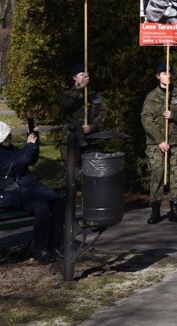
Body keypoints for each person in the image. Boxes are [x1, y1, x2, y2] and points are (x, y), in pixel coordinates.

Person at [0, 121, 65, 263]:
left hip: (25, 189)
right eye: (7, 137)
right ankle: (40, 249)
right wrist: (29, 145)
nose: (9, 139)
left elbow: (30, 160)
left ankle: (52, 244)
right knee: (43, 208)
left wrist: (34, 140)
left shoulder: (10, 149)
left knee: (56, 203)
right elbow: (21, 159)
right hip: (10, 193)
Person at [141, 63, 177, 224]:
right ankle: (155, 210)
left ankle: (175, 209)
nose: (168, 76)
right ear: (158, 76)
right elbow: (146, 120)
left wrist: (174, 115)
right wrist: (160, 140)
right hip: (156, 143)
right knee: (157, 174)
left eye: (170, 72)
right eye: (164, 73)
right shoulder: (151, 97)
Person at [57, 63, 107, 158]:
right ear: (74, 77)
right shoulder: (65, 94)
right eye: (81, 75)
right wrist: (79, 88)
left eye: (86, 75)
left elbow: (103, 112)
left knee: (90, 170)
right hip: (72, 141)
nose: (85, 77)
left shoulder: (94, 96)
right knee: (72, 170)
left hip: (91, 141)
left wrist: (92, 127)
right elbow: (66, 103)